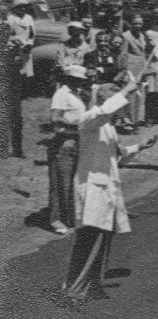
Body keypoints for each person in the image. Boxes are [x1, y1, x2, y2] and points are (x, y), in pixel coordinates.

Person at [61, 77, 158, 303]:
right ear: (105, 102)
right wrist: (125, 91)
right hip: (92, 190)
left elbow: (117, 156)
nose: (121, 109)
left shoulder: (108, 128)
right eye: (118, 103)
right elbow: (102, 112)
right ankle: (73, 290)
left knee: (102, 240)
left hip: (107, 191)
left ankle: (91, 287)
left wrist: (140, 147)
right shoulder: (89, 120)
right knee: (88, 241)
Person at [47, 65, 91, 235]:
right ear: (67, 78)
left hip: (77, 140)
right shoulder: (61, 94)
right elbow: (55, 117)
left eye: (80, 80)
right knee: (60, 182)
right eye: (74, 79)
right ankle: (56, 220)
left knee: (74, 181)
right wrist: (75, 125)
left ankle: (70, 217)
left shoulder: (77, 94)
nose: (78, 82)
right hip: (64, 142)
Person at [7, 0, 35, 158]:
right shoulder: (10, 20)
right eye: (20, 7)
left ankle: (17, 149)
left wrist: (29, 43)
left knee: (16, 113)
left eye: (25, 7)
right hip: (12, 57)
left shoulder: (28, 18)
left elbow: (32, 33)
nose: (23, 10)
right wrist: (15, 48)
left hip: (21, 58)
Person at [120, 15, 148, 129]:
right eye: (135, 23)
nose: (138, 26)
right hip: (130, 70)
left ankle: (135, 120)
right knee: (129, 96)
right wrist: (125, 71)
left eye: (140, 23)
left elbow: (142, 53)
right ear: (131, 24)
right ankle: (128, 122)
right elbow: (123, 54)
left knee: (138, 95)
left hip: (140, 69)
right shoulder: (126, 36)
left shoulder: (141, 35)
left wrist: (145, 68)